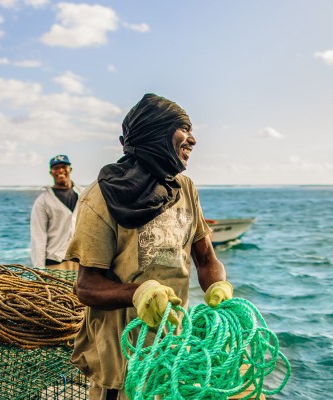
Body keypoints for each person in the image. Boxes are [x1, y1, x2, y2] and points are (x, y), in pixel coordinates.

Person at [66, 93, 233, 400]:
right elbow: (86, 287)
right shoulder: (100, 198)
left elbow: (206, 257)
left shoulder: (185, 188)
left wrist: (218, 289)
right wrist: (137, 292)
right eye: (183, 128)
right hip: (120, 360)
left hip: (171, 352)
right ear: (155, 134)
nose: (193, 140)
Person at [30, 154, 82, 270]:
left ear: (70, 169)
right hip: (55, 262)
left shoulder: (83, 195)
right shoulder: (43, 201)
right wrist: (39, 268)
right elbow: (39, 236)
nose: (60, 170)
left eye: (63, 166)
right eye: (56, 168)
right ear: (51, 172)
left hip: (81, 261)